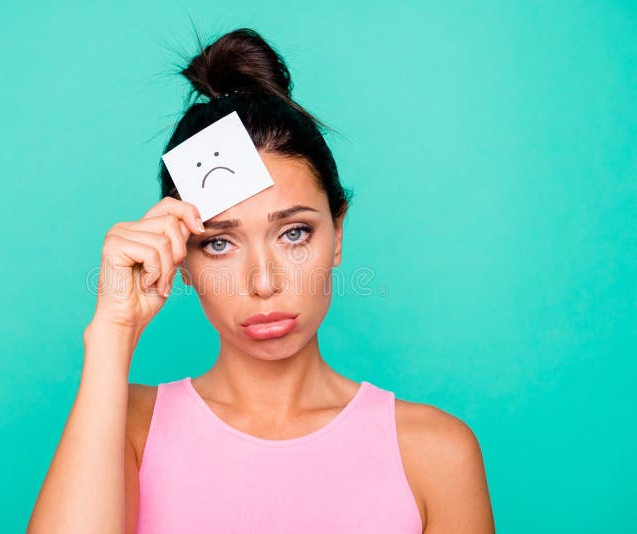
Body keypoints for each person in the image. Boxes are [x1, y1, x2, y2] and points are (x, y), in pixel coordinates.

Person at [27, 28, 495, 534]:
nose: (264, 282)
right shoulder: (125, 429)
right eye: (219, 243)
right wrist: (111, 333)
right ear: (180, 258)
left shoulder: (435, 454)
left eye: (293, 233)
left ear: (337, 233)